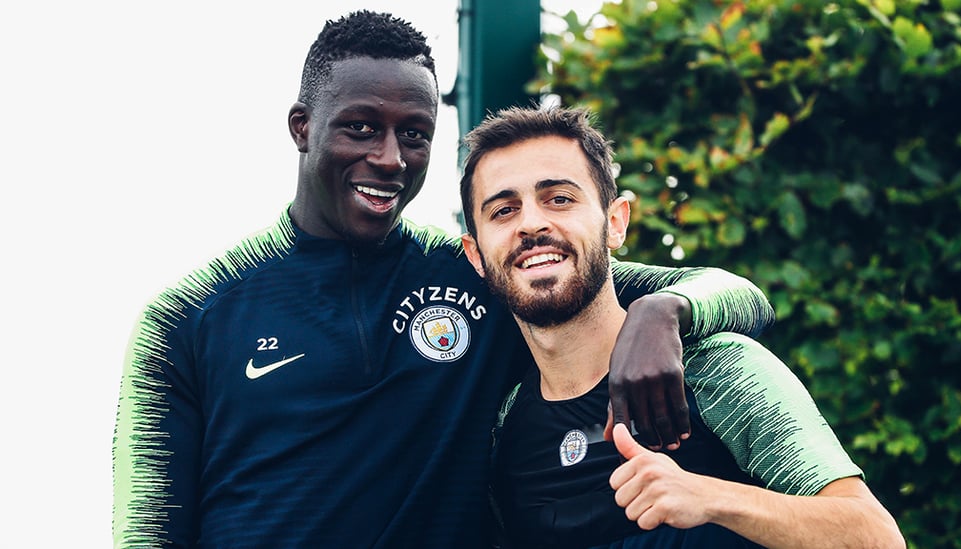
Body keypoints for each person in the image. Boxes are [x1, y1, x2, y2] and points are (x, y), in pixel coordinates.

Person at [111, 11, 776, 548]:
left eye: (417, 134)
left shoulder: (478, 271)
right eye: (362, 128)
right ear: (302, 127)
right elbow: (146, 530)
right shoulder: (188, 316)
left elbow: (738, 294)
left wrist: (663, 311)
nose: (391, 158)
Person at [458, 105, 905, 548]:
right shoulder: (505, 422)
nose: (532, 223)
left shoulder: (716, 368)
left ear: (615, 223)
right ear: (475, 254)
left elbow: (876, 537)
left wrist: (710, 497)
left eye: (559, 199)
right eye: (503, 211)